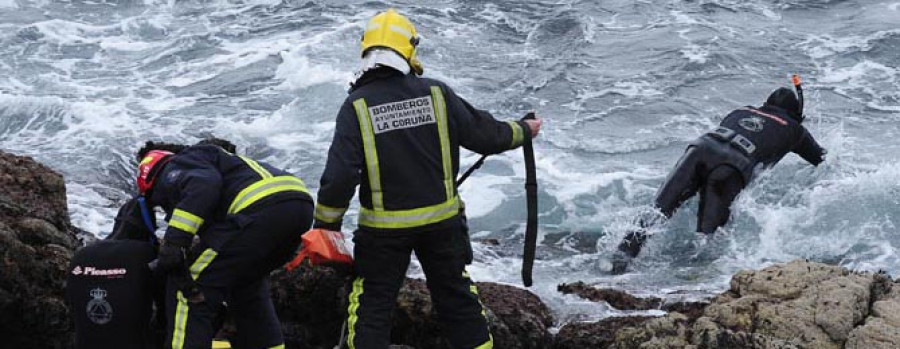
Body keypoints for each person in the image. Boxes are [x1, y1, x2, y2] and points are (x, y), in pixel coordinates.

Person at [313, 9, 542, 349]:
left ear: (366, 51)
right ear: (409, 49)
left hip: (383, 233)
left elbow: (340, 175)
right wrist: (524, 130)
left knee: (373, 305)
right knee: (457, 299)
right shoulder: (437, 93)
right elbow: (486, 135)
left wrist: (326, 225)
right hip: (443, 224)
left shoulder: (356, 106)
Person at [615, 85, 826, 270]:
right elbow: (821, 159)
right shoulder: (796, 130)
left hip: (700, 149)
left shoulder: (740, 111)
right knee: (707, 238)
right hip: (733, 165)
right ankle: (693, 281)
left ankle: (617, 262)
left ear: (765, 104)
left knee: (657, 212)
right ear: (795, 113)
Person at [134, 140, 314, 349]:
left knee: (189, 289)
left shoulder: (175, 167)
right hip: (298, 207)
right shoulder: (223, 164)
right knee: (248, 288)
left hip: (258, 210)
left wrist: (175, 242)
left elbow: (203, 185)